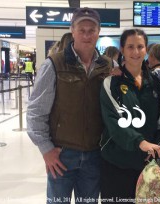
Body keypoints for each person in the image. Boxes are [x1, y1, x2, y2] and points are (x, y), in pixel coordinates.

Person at [27, 7, 112, 204]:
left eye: (92, 30)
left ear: (99, 32)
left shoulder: (108, 66)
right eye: (81, 29)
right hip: (62, 156)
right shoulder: (54, 65)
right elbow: (35, 112)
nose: (86, 35)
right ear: (72, 31)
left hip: (94, 155)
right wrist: (46, 149)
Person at [100, 28, 160, 203]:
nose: (135, 52)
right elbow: (113, 121)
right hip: (116, 164)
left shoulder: (156, 83)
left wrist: (159, 147)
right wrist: (140, 142)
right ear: (122, 49)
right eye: (130, 47)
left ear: (146, 50)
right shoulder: (111, 83)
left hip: (146, 167)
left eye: (140, 46)